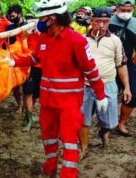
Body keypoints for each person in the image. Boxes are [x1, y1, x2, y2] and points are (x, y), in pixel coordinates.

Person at [7, 0, 108, 177]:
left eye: (42, 18)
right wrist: (14, 62)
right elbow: (34, 58)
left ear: (53, 19)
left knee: (69, 142)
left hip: (69, 104)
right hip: (47, 102)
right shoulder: (44, 38)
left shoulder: (76, 41)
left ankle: (68, 174)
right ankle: (50, 169)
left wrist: (100, 94)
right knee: (48, 137)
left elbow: (90, 69)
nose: (38, 22)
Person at [79, 8, 132, 158]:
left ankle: (104, 133)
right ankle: (84, 148)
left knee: (109, 121)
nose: (101, 25)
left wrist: (126, 87)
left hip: (107, 83)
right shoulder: (81, 40)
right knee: (83, 119)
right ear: (91, 21)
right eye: (98, 21)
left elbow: (121, 65)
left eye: (105, 22)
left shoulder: (115, 41)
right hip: (85, 85)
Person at [109, 0, 136, 137]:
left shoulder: (135, 24)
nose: (125, 13)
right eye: (123, 10)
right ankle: (105, 124)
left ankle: (121, 124)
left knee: (133, 95)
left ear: (133, 9)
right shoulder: (107, 20)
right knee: (105, 94)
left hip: (129, 64)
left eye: (128, 10)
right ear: (117, 8)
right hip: (108, 62)